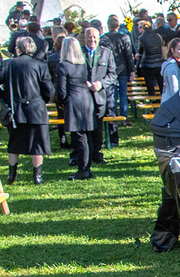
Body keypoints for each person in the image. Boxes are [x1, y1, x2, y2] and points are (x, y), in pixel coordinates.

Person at [0, 36, 54, 185]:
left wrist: (2, 98)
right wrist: (43, 100)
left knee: (14, 143)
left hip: (15, 109)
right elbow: (49, 90)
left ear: (17, 49)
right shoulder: (40, 65)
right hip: (36, 109)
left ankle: (12, 175)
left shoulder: (8, 64)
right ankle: (37, 177)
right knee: (37, 144)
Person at [56, 37, 98, 181]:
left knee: (79, 137)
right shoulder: (83, 64)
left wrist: (63, 102)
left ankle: (83, 170)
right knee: (87, 136)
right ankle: (87, 168)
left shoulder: (63, 66)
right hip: (86, 100)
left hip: (74, 101)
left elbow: (61, 90)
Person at [81, 27, 118, 165]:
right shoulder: (79, 52)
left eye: (94, 37)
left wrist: (101, 84)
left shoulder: (106, 53)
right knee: (83, 126)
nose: (92, 40)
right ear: (85, 38)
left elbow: (112, 75)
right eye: (89, 37)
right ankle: (83, 153)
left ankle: (96, 152)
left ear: (98, 38)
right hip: (83, 96)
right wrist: (83, 82)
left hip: (99, 95)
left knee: (97, 126)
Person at [101, 15, 135, 121]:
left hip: (110, 69)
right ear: (118, 25)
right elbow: (129, 54)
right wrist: (132, 70)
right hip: (123, 69)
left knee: (112, 94)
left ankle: (113, 115)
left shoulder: (104, 38)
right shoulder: (124, 37)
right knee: (123, 94)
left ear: (108, 25)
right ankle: (124, 117)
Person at [136, 20, 165, 96]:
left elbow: (140, 51)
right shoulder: (158, 36)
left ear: (143, 28)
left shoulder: (142, 38)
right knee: (161, 85)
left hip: (147, 65)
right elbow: (162, 45)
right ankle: (162, 99)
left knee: (150, 86)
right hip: (159, 63)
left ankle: (152, 100)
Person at [161, 38, 180, 103]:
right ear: (172, 50)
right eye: (179, 49)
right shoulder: (172, 67)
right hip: (171, 103)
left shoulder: (175, 64)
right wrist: (178, 102)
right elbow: (174, 88)